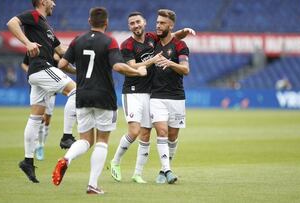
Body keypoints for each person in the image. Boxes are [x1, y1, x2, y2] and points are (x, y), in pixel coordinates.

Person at [52, 7, 147, 194]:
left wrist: (79, 72)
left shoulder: (77, 40)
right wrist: (137, 71)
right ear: (106, 23)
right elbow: (119, 66)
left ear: (89, 21)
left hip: (83, 94)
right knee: (102, 141)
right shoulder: (109, 41)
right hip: (104, 96)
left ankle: (67, 159)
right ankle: (92, 185)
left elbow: (62, 64)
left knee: (85, 140)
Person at [110, 11, 195, 183]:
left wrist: (181, 32)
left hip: (150, 93)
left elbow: (169, 38)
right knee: (134, 131)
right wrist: (153, 60)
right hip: (133, 91)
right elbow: (132, 66)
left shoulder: (152, 38)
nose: (136, 25)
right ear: (129, 26)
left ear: (144, 23)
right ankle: (115, 161)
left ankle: (137, 174)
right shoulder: (127, 45)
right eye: (132, 23)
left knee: (146, 134)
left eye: (138, 22)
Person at [6, 0, 77, 183]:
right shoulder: (34, 16)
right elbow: (11, 23)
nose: (54, 4)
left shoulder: (47, 27)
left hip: (39, 73)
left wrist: (83, 60)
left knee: (36, 117)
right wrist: (28, 43)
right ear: (43, 1)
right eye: (51, 1)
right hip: (40, 67)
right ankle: (67, 136)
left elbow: (61, 50)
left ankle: (28, 161)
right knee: (76, 92)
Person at [151, 9, 190, 184]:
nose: (158, 26)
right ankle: (167, 170)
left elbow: (186, 70)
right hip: (157, 95)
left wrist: (170, 63)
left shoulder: (180, 46)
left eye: (162, 23)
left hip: (176, 96)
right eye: (157, 22)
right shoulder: (152, 41)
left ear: (170, 25)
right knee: (162, 131)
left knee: (173, 136)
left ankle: (163, 169)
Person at [21, 53, 77, 161]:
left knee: (47, 120)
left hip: (53, 88)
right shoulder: (34, 49)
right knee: (39, 118)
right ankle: (34, 147)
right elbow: (24, 64)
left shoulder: (56, 53)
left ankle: (41, 145)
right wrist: (30, 71)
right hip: (39, 84)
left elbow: (62, 66)